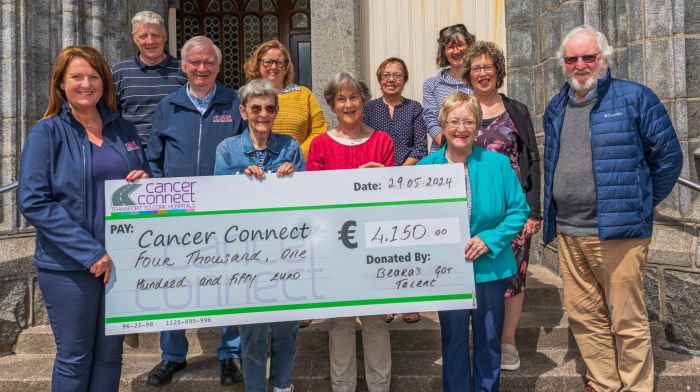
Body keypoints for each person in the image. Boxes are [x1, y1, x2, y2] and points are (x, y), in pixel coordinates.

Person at [543, 25, 683, 392]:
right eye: (572, 58)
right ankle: (603, 382)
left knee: (626, 318)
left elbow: (668, 158)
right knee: (585, 315)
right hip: (569, 230)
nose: (580, 64)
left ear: (603, 58)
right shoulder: (557, 105)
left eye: (588, 56)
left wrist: (639, 203)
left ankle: (636, 385)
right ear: (563, 63)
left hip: (619, 232)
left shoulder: (635, 98)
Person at [18, 45, 150, 392]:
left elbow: (145, 177)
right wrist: (90, 251)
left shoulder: (125, 130)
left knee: (111, 356)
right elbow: (33, 201)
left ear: (104, 83)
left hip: (121, 263)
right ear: (61, 84)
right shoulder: (46, 134)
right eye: (77, 77)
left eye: (93, 77)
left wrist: (146, 181)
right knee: (75, 358)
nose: (86, 84)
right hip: (69, 267)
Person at [146, 36, 246, 387]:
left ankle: (230, 353)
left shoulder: (235, 102)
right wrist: (160, 201)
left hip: (224, 214)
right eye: (194, 62)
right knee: (173, 283)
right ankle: (173, 355)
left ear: (218, 66)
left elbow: (248, 150)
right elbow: (154, 158)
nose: (201, 68)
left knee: (228, 283)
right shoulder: (168, 106)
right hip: (176, 216)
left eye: (208, 62)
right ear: (184, 66)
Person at [417, 92, 529, 392]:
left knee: (489, 340)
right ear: (443, 124)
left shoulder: (497, 164)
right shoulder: (424, 169)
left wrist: (490, 239)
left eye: (468, 121)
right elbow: (410, 217)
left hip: (489, 268)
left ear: (478, 126)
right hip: (447, 270)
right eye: (454, 121)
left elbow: (519, 210)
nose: (461, 128)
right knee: (452, 341)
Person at [307, 71, 396, 392]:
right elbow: (314, 199)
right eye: (341, 98)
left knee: (375, 322)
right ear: (332, 104)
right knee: (341, 322)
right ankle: (342, 387)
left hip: (373, 245)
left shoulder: (383, 141)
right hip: (335, 248)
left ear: (364, 101)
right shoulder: (319, 145)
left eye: (354, 97)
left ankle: (379, 387)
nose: (348, 104)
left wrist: (383, 178)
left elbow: (392, 199)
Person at [214, 78, 304, 392]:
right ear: (243, 111)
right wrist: (241, 179)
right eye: (255, 108)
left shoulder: (290, 146)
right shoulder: (227, 149)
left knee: (286, 328)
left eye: (268, 108)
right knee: (252, 331)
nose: (262, 114)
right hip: (246, 255)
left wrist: (292, 179)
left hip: (286, 252)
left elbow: (307, 197)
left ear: (276, 111)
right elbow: (219, 197)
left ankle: (282, 385)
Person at [462, 41, 541, 371]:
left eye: (488, 67)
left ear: (498, 71)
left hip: (512, 212)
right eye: (476, 68)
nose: (482, 73)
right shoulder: (462, 109)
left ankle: (506, 341)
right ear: (468, 74)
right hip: (469, 211)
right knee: (473, 275)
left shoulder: (517, 110)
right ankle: (479, 336)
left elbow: (533, 160)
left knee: (513, 277)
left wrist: (534, 211)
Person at [362, 57, 427, 324]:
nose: (391, 79)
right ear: (379, 78)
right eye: (386, 74)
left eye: (397, 75)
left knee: (406, 242)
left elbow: (421, 146)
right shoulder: (368, 109)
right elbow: (361, 140)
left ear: (405, 79)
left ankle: (409, 300)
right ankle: (385, 300)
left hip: (405, 182)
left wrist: (398, 171)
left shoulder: (414, 108)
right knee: (379, 244)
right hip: (374, 185)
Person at [111, 10, 187, 147]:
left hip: (173, 153)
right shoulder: (118, 72)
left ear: (165, 36)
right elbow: (110, 116)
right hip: (134, 155)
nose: (150, 41)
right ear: (134, 38)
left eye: (155, 35)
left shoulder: (184, 70)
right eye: (143, 36)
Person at [244, 39, 328, 158]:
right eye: (268, 62)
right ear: (258, 65)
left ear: (286, 67)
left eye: (279, 62)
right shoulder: (246, 96)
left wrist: (295, 155)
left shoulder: (304, 95)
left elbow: (319, 131)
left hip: (296, 168)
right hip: (256, 168)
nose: (274, 66)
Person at [422, 23, 475, 151]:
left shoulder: (479, 81)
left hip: (476, 152)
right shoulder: (432, 84)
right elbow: (430, 119)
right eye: (450, 47)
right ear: (444, 52)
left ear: (470, 47)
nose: (456, 51)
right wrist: (450, 147)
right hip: (443, 152)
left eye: (460, 45)